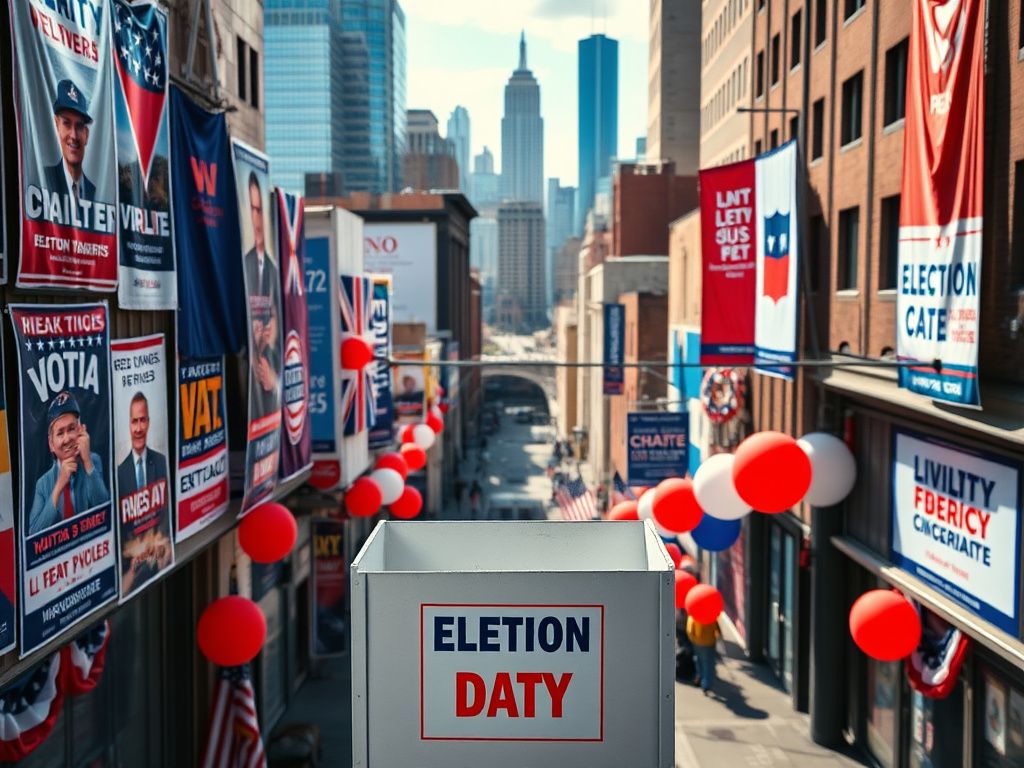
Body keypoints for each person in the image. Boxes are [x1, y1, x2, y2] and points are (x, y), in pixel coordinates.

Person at [29, 391, 110, 535]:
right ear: (51, 444)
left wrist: (87, 462)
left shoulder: (93, 461)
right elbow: (34, 532)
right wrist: (59, 484)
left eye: (71, 429)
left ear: (80, 430)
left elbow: (105, 510)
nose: (67, 439)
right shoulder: (42, 484)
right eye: (60, 433)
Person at [242, 171, 281, 420]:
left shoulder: (273, 269)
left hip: (269, 410)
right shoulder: (242, 264)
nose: (257, 218)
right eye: (252, 209)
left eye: (260, 210)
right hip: (249, 400)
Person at [44, 79, 95, 202]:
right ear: (57, 126)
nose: (73, 135)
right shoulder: (43, 180)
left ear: (86, 135)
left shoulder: (95, 192)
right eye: (66, 123)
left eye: (79, 126)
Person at [116, 392, 168, 495]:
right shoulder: (120, 473)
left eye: (143, 420)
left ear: (148, 422)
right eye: (134, 421)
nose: (138, 429)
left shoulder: (161, 463)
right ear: (129, 425)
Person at [687, 613, 722, 694]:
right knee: (708, 664)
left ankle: (699, 676)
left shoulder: (693, 617)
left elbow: (690, 631)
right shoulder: (711, 617)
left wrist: (694, 640)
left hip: (697, 643)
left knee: (698, 660)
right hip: (709, 644)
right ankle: (705, 684)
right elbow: (718, 631)